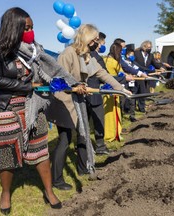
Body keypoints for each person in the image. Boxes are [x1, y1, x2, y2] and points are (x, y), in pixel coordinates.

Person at [0, 7, 81, 214]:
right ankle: (6, 193)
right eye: (26, 28)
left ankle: (48, 190)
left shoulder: (36, 49)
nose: (31, 32)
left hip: (34, 104)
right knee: (8, 152)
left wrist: (71, 84)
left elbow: (52, 70)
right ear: (14, 27)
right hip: (5, 106)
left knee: (40, 147)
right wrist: (28, 86)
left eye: (32, 27)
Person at [45, 24, 131, 181]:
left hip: (77, 102)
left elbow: (102, 73)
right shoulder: (68, 54)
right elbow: (58, 81)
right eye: (95, 39)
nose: (97, 43)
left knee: (83, 136)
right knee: (65, 139)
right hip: (63, 102)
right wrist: (75, 86)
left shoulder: (87, 56)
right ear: (87, 38)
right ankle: (56, 179)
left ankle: (83, 168)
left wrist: (121, 89)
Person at [103, 43, 134, 142]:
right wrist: (126, 77)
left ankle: (114, 132)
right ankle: (111, 134)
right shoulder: (114, 62)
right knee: (112, 112)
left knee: (111, 112)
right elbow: (120, 73)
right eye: (120, 51)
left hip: (109, 88)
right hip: (113, 88)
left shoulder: (105, 59)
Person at [87, 32, 110, 155]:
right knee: (99, 121)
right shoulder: (95, 56)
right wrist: (121, 79)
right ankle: (100, 147)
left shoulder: (89, 54)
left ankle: (86, 148)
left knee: (85, 123)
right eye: (102, 43)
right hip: (93, 94)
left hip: (84, 94)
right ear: (98, 42)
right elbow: (103, 76)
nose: (103, 46)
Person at [133, 40, 165, 112]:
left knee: (143, 92)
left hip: (145, 76)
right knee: (135, 92)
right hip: (136, 75)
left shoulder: (150, 55)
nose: (150, 49)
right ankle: (132, 107)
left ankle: (141, 108)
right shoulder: (136, 53)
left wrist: (160, 67)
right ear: (144, 47)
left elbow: (155, 63)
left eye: (150, 47)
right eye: (148, 47)